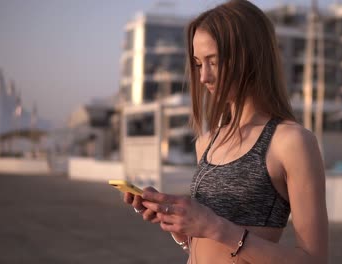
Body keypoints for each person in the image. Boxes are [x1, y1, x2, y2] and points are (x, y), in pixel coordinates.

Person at [124, 0, 328, 263]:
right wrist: (177, 221)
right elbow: (213, 247)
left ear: (250, 57)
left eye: (214, 62)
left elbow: (314, 260)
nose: (203, 77)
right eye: (198, 64)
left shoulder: (290, 142)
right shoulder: (207, 142)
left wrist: (214, 226)